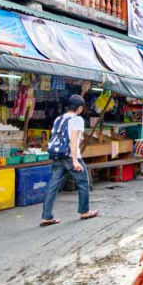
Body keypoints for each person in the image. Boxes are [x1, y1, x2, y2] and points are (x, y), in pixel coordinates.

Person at [40, 94, 98, 226]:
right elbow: (73, 140)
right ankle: (84, 211)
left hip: (57, 156)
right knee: (83, 182)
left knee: (53, 186)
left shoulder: (59, 119)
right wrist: (75, 160)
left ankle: (46, 216)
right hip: (71, 156)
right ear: (80, 108)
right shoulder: (77, 120)